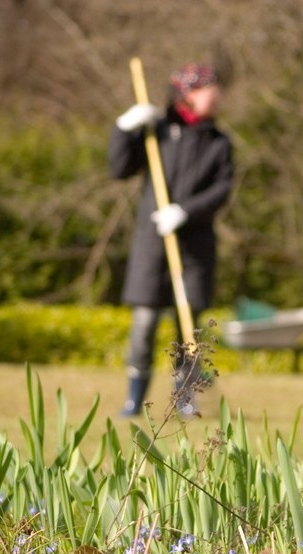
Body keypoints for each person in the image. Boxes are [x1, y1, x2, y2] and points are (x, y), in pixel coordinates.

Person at [109, 63, 234, 418]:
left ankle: (185, 399)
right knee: (144, 323)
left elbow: (222, 190)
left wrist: (185, 211)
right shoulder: (157, 132)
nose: (217, 96)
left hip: (193, 248)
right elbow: (119, 168)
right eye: (211, 89)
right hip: (152, 247)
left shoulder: (218, 142)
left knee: (188, 325)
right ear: (188, 93)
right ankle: (135, 399)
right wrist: (124, 128)